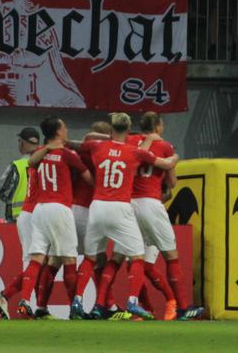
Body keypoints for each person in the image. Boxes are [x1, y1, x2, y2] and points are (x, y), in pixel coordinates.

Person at [75, 112, 178, 320]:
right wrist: (175, 156)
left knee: (93, 257)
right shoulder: (135, 151)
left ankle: (80, 301)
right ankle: (136, 301)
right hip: (123, 207)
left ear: (111, 129)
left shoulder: (98, 146)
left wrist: (62, 142)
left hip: (97, 206)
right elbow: (167, 168)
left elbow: (83, 140)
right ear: (129, 130)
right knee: (139, 258)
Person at [5, 117, 92, 319]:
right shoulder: (67, 154)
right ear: (59, 132)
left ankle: (25, 300)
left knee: (37, 258)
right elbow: (88, 178)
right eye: (65, 126)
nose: (67, 129)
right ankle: (75, 308)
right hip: (59, 208)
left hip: (40, 210)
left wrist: (48, 148)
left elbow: (32, 161)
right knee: (70, 259)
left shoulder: (39, 153)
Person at [129, 112, 203, 321]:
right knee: (171, 256)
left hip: (129, 205)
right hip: (151, 203)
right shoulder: (165, 146)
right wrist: (171, 161)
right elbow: (171, 183)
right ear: (159, 126)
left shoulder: (132, 141)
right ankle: (182, 307)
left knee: (136, 260)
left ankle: (140, 307)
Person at [0, 127, 41, 222]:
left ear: (22, 142)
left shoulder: (16, 166)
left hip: (18, 218)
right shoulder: (46, 163)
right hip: (41, 217)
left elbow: (2, 191)